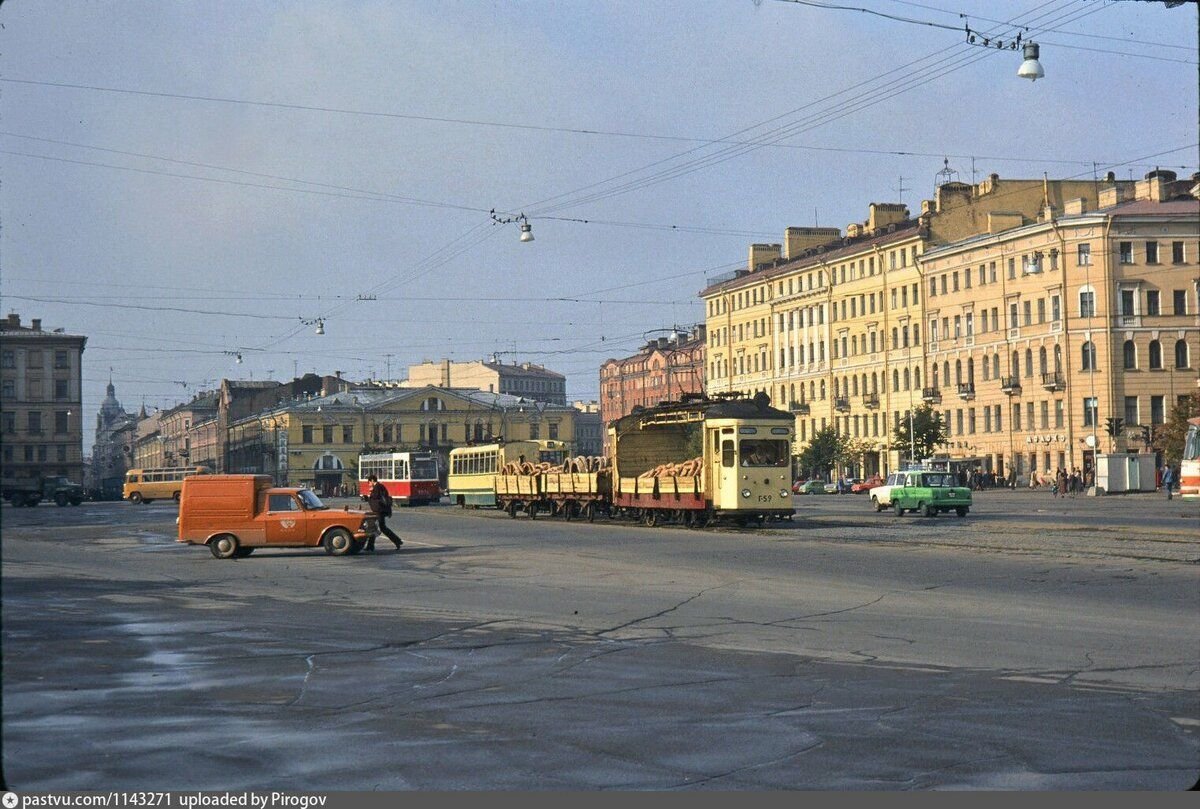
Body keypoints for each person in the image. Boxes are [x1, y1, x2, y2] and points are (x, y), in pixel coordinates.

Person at [365, 473, 403, 551]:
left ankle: (397, 541)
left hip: (379, 511)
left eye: (369, 482)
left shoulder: (377, 487)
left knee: (380, 528)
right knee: (375, 527)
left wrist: (368, 497)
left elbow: (375, 499)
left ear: (372, 480)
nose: (369, 484)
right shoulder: (379, 487)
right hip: (379, 510)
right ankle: (370, 546)